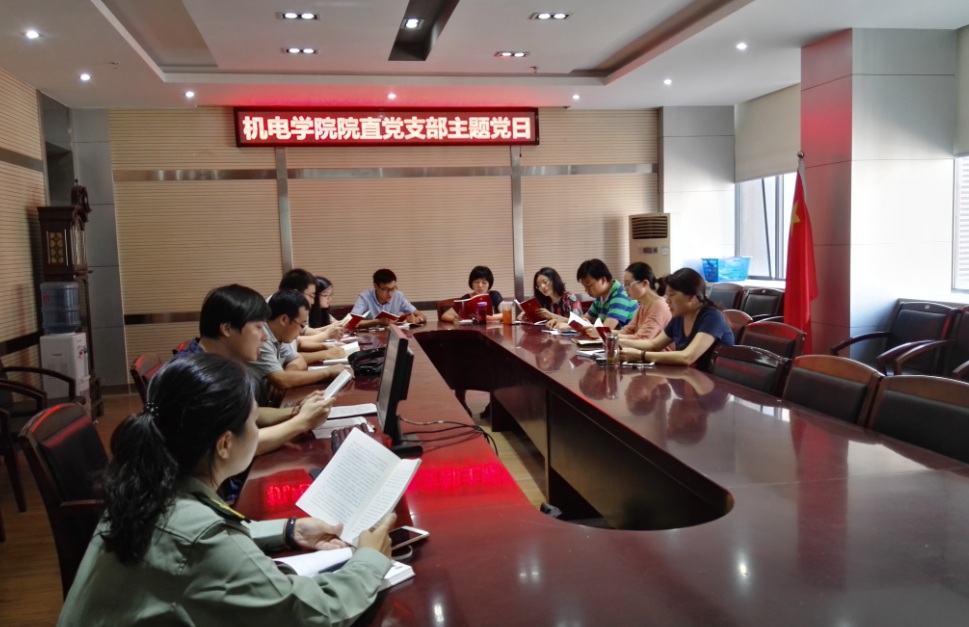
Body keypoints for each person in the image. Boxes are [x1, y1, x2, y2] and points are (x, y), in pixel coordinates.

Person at [59, 354, 394, 626]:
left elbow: (191, 536)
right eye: (253, 422)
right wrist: (369, 560)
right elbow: (306, 615)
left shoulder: (144, 484)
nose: (257, 431)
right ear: (224, 444)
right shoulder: (198, 538)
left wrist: (289, 530)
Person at [173, 284, 334, 455]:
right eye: (258, 327)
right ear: (227, 329)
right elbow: (231, 449)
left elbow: (249, 414)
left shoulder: (220, 364)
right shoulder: (197, 377)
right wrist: (302, 421)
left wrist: (296, 412)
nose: (265, 337)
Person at [619, 267, 735, 371]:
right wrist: (617, 342)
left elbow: (687, 357)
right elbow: (654, 345)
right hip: (691, 378)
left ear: (691, 297)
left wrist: (641, 355)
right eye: (667, 295)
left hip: (716, 383)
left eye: (672, 295)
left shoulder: (712, 317)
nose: (667, 300)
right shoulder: (680, 316)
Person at [247, 289, 348, 403]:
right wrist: (327, 372)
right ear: (284, 320)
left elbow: (298, 360)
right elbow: (281, 380)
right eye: (301, 324)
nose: (301, 331)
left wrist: (288, 376)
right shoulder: (262, 338)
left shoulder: (280, 334)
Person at [551, 259, 636, 335]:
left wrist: (568, 326)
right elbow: (583, 320)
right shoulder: (601, 297)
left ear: (602, 280)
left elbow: (605, 330)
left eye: (589, 285)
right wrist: (560, 320)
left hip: (625, 343)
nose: (586, 290)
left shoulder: (620, 295)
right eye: (585, 286)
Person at [351, 268, 427, 329]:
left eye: (393, 289)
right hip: (370, 339)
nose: (390, 294)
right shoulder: (365, 297)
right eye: (385, 289)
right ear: (375, 286)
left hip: (392, 337)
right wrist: (377, 321)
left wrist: (416, 320)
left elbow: (422, 315)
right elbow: (351, 322)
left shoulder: (398, 296)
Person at [618, 262, 672, 341]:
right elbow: (628, 330)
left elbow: (642, 338)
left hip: (655, 349)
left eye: (628, 284)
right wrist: (606, 335)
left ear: (644, 283)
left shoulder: (659, 305)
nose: (625, 288)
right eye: (625, 284)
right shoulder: (643, 304)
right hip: (638, 348)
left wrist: (612, 338)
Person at [517, 267, 583, 323]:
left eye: (545, 282)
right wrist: (527, 317)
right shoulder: (544, 302)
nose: (542, 287)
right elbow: (539, 323)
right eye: (538, 285)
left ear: (554, 280)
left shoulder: (569, 297)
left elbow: (579, 322)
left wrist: (552, 316)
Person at [440, 265, 504, 323]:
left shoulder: (494, 295)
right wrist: (454, 318)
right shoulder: (466, 298)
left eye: (484, 283)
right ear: (471, 283)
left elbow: (505, 313)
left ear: (489, 284)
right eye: (476, 282)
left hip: (493, 330)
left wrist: (487, 318)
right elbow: (445, 315)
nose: (480, 286)